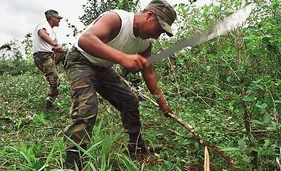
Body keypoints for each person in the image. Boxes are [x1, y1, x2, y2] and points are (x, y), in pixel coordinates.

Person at [63, 0, 176, 169]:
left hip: (104, 67)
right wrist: (123, 58)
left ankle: (137, 147)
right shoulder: (117, 19)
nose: (157, 36)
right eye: (158, 29)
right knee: (86, 108)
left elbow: (149, 72)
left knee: (130, 100)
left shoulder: (145, 43)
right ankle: (73, 163)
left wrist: (162, 104)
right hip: (81, 60)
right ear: (149, 15)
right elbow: (85, 40)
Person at [32, 9, 66, 110]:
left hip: (49, 55)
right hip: (42, 56)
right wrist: (55, 45)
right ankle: (49, 105)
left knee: (68, 54)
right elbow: (42, 34)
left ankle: (75, 75)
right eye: (58, 18)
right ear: (52, 18)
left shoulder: (52, 32)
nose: (59, 20)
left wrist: (54, 50)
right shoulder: (43, 25)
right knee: (54, 80)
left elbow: (53, 48)